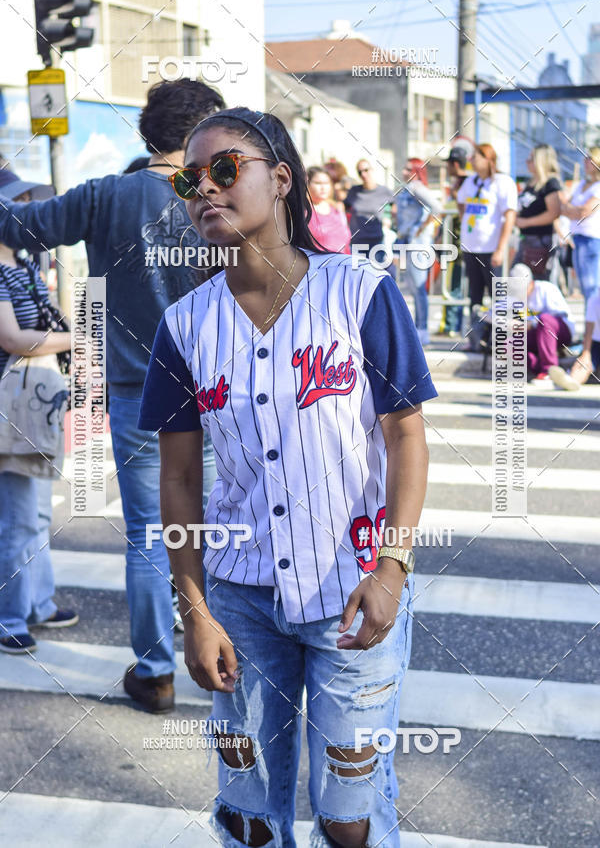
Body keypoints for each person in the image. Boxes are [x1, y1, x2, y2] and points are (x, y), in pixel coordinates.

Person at [139, 107, 437, 847]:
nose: (204, 188)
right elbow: (177, 481)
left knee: (351, 822)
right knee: (249, 819)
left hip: (353, 594)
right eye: (189, 178)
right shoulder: (185, 328)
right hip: (238, 606)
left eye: (225, 168)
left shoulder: (359, 294)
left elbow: (405, 438)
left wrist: (392, 567)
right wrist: (194, 611)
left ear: (280, 180)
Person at [0, 78, 223, 712]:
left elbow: (18, 225)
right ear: (201, 133)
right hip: (218, 393)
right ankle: (223, 651)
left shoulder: (107, 195)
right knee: (218, 529)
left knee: (151, 535)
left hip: (135, 394)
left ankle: (154, 672)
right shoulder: (218, 198)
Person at [0, 171, 78, 654]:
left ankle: (39, 603)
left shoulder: (24, 263)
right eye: (20, 201)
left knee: (33, 512)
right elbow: (10, 338)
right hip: (9, 403)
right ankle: (11, 617)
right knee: (18, 516)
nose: (30, 209)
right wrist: (81, 339)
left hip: (32, 401)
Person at [457, 143, 518, 349]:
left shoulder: (502, 182)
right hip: (471, 247)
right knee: (474, 295)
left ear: (488, 159)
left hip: (491, 249)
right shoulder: (471, 182)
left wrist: (501, 248)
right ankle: (475, 338)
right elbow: (461, 202)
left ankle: (498, 340)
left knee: (498, 296)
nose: (471, 160)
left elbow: (509, 215)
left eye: (476, 157)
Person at [395, 158, 443, 345]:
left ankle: (423, 329)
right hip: (407, 241)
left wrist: (422, 227)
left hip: (418, 243)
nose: (404, 171)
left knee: (419, 287)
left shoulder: (417, 187)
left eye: (409, 168)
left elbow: (437, 207)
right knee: (413, 288)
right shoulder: (407, 188)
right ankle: (418, 327)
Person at [510, 263, 575, 382]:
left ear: (530, 282)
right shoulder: (515, 298)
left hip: (560, 331)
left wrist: (532, 324)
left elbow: (560, 315)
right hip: (536, 335)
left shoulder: (546, 289)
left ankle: (549, 369)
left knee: (545, 320)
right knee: (507, 344)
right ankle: (543, 369)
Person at [559, 147, 600, 308]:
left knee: (592, 288)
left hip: (591, 239)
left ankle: (594, 330)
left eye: (589, 158)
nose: (585, 161)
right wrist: (572, 210)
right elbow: (563, 207)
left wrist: (571, 210)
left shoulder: (597, 186)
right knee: (585, 289)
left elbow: (585, 211)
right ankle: (591, 328)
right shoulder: (582, 183)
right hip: (578, 238)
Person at [515, 144, 562, 280]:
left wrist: (526, 222)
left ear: (541, 162)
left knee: (538, 281)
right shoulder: (530, 183)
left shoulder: (550, 183)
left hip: (540, 240)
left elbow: (554, 213)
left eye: (531, 159)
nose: (527, 162)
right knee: (517, 278)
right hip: (525, 239)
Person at [440, 146, 470, 337]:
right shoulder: (460, 182)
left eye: (449, 164)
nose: (447, 167)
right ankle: (451, 324)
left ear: (456, 163)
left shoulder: (466, 182)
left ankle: (453, 325)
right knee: (453, 285)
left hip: (459, 245)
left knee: (454, 285)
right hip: (453, 242)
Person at [549, 286, 600, 389]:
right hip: (595, 342)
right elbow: (589, 331)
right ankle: (572, 381)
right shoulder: (594, 300)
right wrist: (586, 353)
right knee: (584, 363)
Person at [345, 157, 395, 249]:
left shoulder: (384, 191)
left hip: (377, 242)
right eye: (360, 172)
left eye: (366, 170)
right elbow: (342, 209)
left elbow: (397, 208)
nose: (363, 174)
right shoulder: (353, 191)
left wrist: (389, 220)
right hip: (357, 243)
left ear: (372, 170)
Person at [306, 166, 351, 254]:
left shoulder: (337, 208)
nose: (323, 187)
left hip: (345, 263)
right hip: (319, 265)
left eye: (326, 183)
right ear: (307, 184)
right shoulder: (304, 211)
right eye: (318, 183)